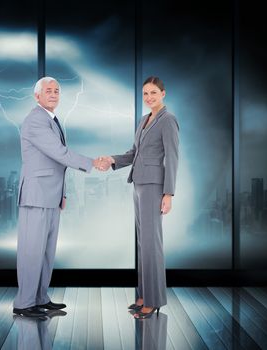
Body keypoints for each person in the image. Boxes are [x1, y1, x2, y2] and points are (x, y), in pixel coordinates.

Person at [14, 77, 108, 318]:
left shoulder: (51, 120)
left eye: (57, 90)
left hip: (51, 195)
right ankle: (24, 303)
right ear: (37, 96)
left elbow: (56, 163)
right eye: (48, 91)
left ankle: (40, 298)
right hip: (36, 195)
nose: (54, 94)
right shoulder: (36, 120)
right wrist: (91, 163)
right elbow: (59, 153)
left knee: (46, 252)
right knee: (32, 251)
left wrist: (62, 193)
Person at [97, 76, 179, 319]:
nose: (149, 98)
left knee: (152, 244)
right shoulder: (144, 120)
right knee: (143, 244)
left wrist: (169, 193)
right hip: (139, 184)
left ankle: (153, 301)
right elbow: (134, 153)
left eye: (153, 93)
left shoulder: (168, 120)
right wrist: (112, 159)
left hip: (155, 186)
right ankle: (144, 294)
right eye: (145, 94)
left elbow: (173, 158)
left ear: (163, 93)